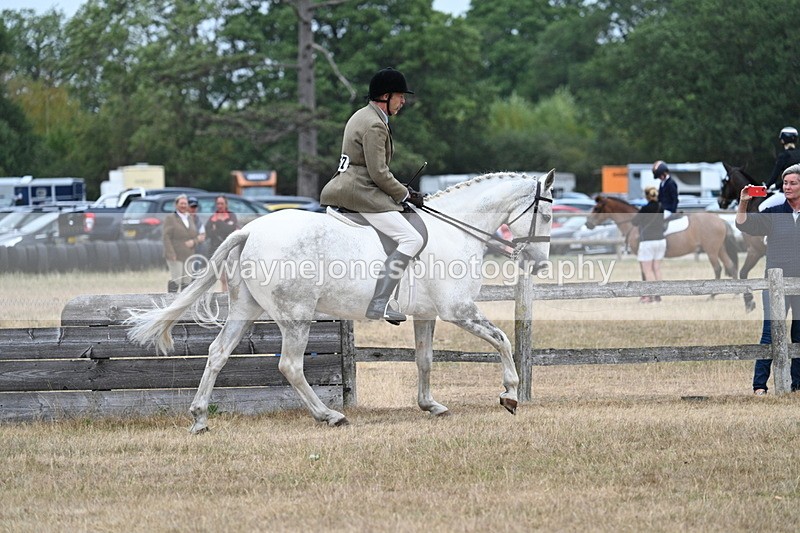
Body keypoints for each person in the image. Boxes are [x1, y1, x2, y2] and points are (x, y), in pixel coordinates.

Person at [320, 67, 425, 325]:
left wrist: (401, 190)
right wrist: (404, 194)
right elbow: (378, 173)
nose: (404, 101)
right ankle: (381, 302)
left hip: (349, 185)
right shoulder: (375, 124)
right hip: (360, 192)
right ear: (385, 96)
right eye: (400, 96)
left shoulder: (361, 115)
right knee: (412, 239)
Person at [735, 163, 800, 395]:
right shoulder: (774, 213)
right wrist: (743, 201)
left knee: (798, 334)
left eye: (793, 183)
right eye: (785, 183)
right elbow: (743, 224)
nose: (788, 187)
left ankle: (797, 386)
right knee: (770, 333)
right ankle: (759, 386)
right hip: (775, 286)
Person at [631, 186, 666, 304]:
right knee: (656, 268)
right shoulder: (661, 207)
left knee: (647, 270)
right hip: (661, 240)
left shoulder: (645, 208)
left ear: (647, 196)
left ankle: (651, 296)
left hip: (648, 241)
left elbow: (634, 222)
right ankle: (659, 296)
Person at [163, 194, 201, 293]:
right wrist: (170, 253)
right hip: (176, 254)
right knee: (177, 279)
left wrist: (194, 242)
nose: (183, 206)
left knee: (187, 281)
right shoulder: (170, 218)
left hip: (189, 255)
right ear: (176, 205)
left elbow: (196, 235)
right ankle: (171, 301)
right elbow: (166, 237)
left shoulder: (189, 218)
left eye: (185, 203)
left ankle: (183, 303)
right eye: (181, 203)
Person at [760, 126, 800, 210]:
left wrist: (767, 186)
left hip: (788, 192)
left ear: (783, 140)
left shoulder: (784, 156)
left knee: (762, 207)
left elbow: (774, 176)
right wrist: (777, 185)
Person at [204, 195, 239, 291]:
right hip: (216, 249)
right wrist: (224, 227)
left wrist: (218, 223)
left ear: (226, 204)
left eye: (222, 203)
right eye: (218, 204)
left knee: (231, 277)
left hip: (230, 249)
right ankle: (224, 296)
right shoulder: (212, 218)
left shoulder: (231, 216)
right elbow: (209, 233)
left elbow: (231, 229)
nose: (220, 206)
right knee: (222, 278)